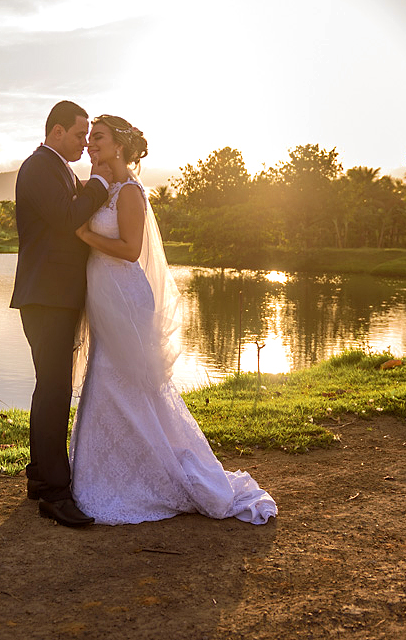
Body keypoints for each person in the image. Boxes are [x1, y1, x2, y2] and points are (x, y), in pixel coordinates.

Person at [69, 115, 277, 525]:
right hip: (105, 299)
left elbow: (130, 250)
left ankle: (153, 477)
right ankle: (105, 475)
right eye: (90, 137)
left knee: (130, 384)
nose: (91, 143)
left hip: (126, 299)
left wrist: (83, 235)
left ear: (120, 146)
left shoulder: (129, 192)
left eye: (99, 137)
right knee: (105, 380)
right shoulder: (104, 188)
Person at [10, 100, 110, 528]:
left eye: (88, 135)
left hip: (56, 296)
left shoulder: (60, 169)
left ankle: (40, 478)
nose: (85, 142)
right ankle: (54, 492)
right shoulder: (38, 168)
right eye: (79, 134)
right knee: (54, 389)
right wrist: (101, 184)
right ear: (56, 132)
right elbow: (69, 217)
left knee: (51, 387)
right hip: (45, 297)